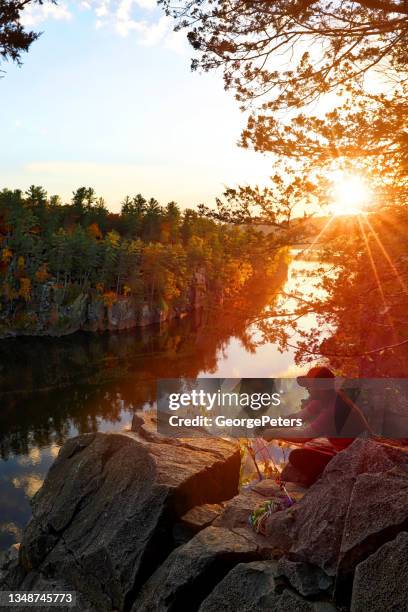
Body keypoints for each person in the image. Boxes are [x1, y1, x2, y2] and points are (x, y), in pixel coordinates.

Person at [262, 366, 372, 486]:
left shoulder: (333, 409)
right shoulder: (325, 400)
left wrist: (274, 433)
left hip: (354, 459)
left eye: (310, 385)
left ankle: (323, 482)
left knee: (297, 456)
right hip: (348, 450)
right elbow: (298, 417)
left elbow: (304, 436)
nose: (307, 389)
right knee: (312, 446)